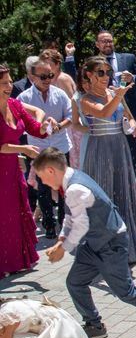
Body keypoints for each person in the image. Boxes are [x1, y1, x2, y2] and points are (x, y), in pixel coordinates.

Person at [33, 147, 136, 338]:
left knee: (126, 292)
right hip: (94, 243)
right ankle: (94, 324)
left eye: (41, 177)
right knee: (75, 282)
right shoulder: (72, 177)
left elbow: (81, 225)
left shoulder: (75, 188)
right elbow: (70, 216)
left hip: (110, 243)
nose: (42, 182)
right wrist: (61, 240)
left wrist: (63, 249)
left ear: (50, 170)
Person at [80, 56, 136, 263]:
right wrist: (119, 95)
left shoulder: (114, 93)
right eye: (100, 73)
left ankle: (129, 249)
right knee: (105, 197)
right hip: (100, 150)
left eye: (108, 72)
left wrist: (133, 125)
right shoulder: (85, 99)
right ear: (89, 75)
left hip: (120, 147)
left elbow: (129, 115)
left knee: (124, 194)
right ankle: (104, 252)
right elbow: (104, 113)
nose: (105, 77)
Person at [0, 65, 54, 277]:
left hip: (12, 170)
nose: (9, 86)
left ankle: (15, 260)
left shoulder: (14, 105)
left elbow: (35, 128)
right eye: (4, 83)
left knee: (14, 215)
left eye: (10, 82)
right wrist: (22, 149)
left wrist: (45, 125)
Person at [17, 59, 73, 239]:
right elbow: (20, 124)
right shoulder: (24, 98)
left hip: (60, 145)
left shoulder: (60, 94)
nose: (48, 79)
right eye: (43, 76)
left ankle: (65, 222)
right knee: (43, 189)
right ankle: (49, 225)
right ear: (32, 76)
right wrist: (38, 127)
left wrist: (60, 125)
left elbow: (71, 117)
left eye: (50, 75)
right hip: (39, 148)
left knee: (65, 186)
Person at [94, 30, 136, 183]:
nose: (107, 44)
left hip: (131, 110)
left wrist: (133, 78)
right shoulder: (94, 62)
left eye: (109, 40)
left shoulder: (128, 58)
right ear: (97, 44)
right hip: (108, 112)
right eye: (103, 41)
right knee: (114, 150)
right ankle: (119, 183)